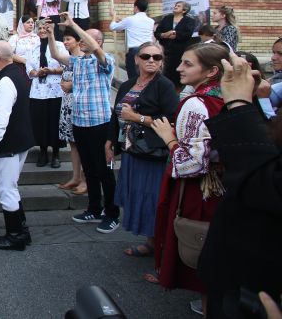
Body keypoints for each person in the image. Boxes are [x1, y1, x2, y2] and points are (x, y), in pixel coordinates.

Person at [197, 53, 282, 318]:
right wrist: (252, 103)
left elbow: (264, 182)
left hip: (260, 279)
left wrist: (238, 103)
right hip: (242, 266)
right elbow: (269, 150)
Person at [147, 43, 229, 315]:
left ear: (212, 71)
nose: (179, 68)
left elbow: (193, 163)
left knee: (200, 249)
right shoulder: (230, 96)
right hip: (224, 187)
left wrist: (169, 139)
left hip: (199, 191)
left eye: (188, 64)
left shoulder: (196, 103)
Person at [47, 14, 119, 233]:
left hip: (100, 122)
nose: (82, 42)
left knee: (104, 170)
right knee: (90, 169)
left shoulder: (106, 62)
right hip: (80, 122)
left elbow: (96, 49)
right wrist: (51, 34)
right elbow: (55, 54)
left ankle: (112, 213)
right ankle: (94, 209)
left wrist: (73, 25)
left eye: (88, 39)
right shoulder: (77, 61)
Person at [106, 42, 178, 259]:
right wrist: (110, 141)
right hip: (131, 151)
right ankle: (151, 242)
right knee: (137, 196)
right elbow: (116, 114)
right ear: (136, 59)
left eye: (157, 57)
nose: (152, 61)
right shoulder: (128, 84)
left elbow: (171, 120)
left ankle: (162, 249)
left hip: (152, 154)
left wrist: (138, 118)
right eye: (146, 56)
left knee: (152, 199)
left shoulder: (163, 85)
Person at [0, 41, 36, 250]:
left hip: (9, 143)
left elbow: (0, 117)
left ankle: (15, 236)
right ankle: (22, 231)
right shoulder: (17, 74)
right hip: (20, 141)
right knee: (11, 186)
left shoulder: (5, 81)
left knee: (5, 189)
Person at [26, 20, 65, 168]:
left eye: (45, 28)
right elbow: (28, 67)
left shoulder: (60, 46)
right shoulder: (33, 48)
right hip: (38, 91)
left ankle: (56, 153)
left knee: (54, 122)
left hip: (55, 91)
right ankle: (42, 152)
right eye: (40, 28)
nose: (42, 30)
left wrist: (52, 70)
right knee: (40, 122)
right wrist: (36, 72)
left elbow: (66, 65)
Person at [57, 29, 86, 194]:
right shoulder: (69, 60)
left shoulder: (85, 59)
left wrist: (72, 85)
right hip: (67, 103)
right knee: (72, 143)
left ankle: (84, 179)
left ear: (78, 41)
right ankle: (75, 177)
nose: (66, 42)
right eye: (64, 39)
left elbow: (89, 82)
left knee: (82, 144)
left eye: (68, 39)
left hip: (80, 106)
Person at [109, 0, 156, 79]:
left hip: (135, 52)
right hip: (149, 51)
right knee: (147, 76)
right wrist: (120, 18)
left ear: (136, 7)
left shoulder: (130, 20)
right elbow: (132, 23)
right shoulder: (151, 21)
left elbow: (113, 27)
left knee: (134, 78)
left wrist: (113, 17)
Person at [155, 1, 196, 89]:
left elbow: (187, 34)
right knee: (164, 73)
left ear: (184, 10)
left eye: (178, 6)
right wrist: (163, 35)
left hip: (179, 52)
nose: (175, 7)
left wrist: (174, 33)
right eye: (175, 5)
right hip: (164, 50)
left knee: (176, 75)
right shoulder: (167, 18)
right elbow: (157, 32)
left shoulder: (189, 21)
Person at [8, 16, 40, 81]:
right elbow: (8, 53)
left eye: (32, 22)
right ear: (22, 25)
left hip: (36, 68)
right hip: (20, 67)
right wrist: (24, 61)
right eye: (28, 22)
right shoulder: (15, 38)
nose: (31, 24)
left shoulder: (37, 37)